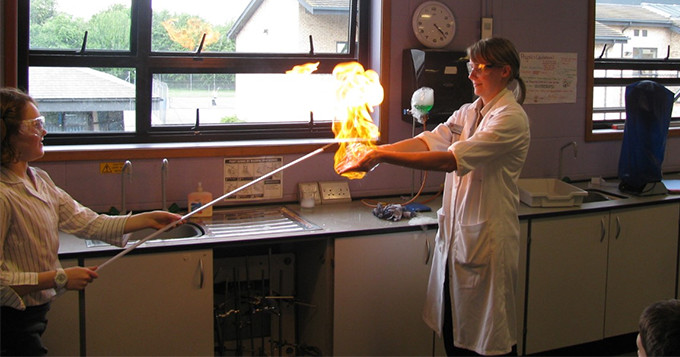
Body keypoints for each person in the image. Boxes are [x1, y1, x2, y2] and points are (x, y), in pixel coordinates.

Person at [338, 37, 530, 355]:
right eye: (470, 66)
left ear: (505, 71)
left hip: (487, 246)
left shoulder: (510, 118)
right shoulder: (469, 112)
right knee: (455, 337)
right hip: (458, 245)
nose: (471, 75)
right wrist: (375, 150)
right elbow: (429, 142)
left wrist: (381, 157)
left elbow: (449, 160)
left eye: (480, 68)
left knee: (488, 343)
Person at [0, 87, 184, 356]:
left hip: (34, 313)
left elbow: (88, 223)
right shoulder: (3, 194)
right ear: (8, 134)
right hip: (9, 320)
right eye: (36, 125)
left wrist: (146, 219)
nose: (44, 132)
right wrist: (59, 277)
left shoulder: (38, 179)